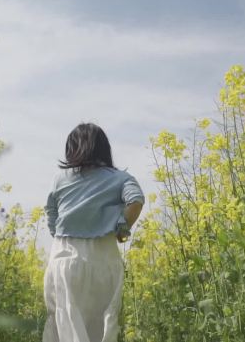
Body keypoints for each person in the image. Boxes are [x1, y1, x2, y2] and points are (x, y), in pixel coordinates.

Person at [42, 122, 144, 342]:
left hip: (66, 255)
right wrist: (121, 229)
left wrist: (59, 233)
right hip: (104, 258)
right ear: (104, 149)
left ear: (72, 149)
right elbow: (136, 200)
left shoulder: (60, 178)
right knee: (102, 324)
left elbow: (50, 212)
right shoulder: (121, 178)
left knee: (66, 323)